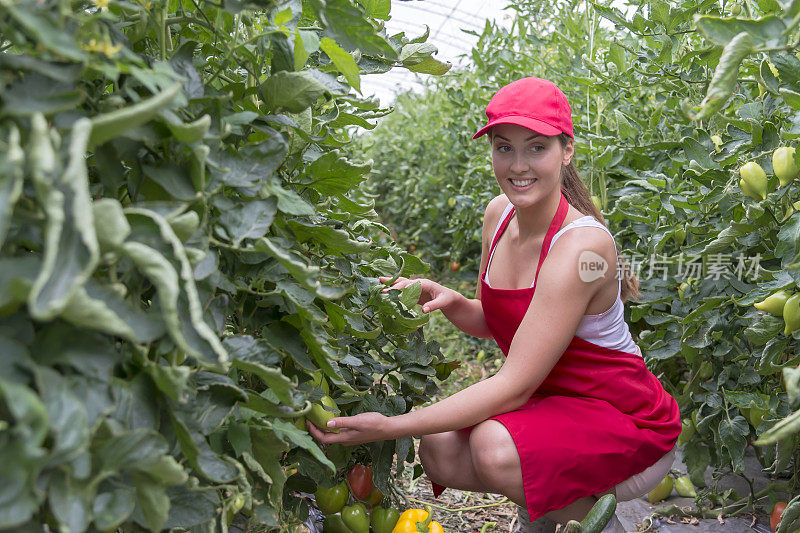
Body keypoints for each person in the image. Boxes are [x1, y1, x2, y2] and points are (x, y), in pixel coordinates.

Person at [307, 77, 681, 532]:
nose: (518, 165)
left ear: (567, 151)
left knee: (493, 447)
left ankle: (593, 524)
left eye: (536, 147)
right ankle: (544, 505)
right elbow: (501, 320)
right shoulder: (499, 216)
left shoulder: (581, 248)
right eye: (504, 148)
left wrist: (390, 425)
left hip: (622, 417)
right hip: (552, 406)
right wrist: (453, 301)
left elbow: (514, 386)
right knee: (439, 446)